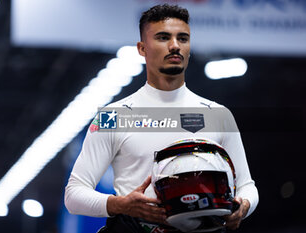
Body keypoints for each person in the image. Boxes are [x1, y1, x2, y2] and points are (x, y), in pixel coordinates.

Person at [65, 4, 258, 232]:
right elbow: (74, 194)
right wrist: (120, 205)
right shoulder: (112, 116)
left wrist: (243, 206)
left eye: (183, 38)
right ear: (142, 48)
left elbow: (246, 186)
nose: (175, 46)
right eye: (163, 37)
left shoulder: (218, 114)